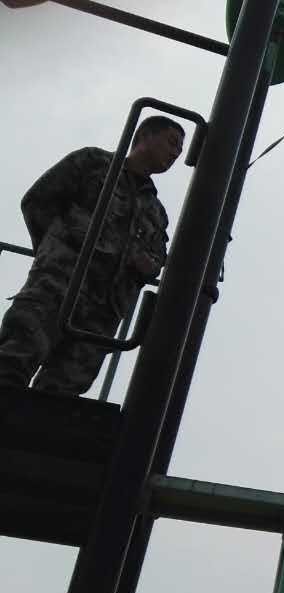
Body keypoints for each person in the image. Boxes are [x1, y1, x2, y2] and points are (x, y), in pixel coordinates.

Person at [0, 116, 184, 395]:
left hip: (101, 316)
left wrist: (147, 265)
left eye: (180, 150)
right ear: (145, 135)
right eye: (172, 143)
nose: (175, 154)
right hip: (57, 289)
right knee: (14, 360)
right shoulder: (93, 164)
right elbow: (38, 201)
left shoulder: (156, 213)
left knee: (59, 399)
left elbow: (157, 259)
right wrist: (55, 253)